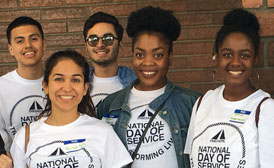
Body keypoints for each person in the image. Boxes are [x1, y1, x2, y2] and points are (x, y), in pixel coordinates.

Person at [97, 6, 201, 168]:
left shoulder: (192, 103)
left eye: (158, 55)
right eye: (140, 54)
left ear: (170, 57)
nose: (148, 63)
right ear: (132, 55)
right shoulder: (111, 105)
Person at [10, 50, 132, 167]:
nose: (67, 88)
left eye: (75, 80)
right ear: (45, 86)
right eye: (59, 79)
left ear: (85, 88)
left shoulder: (103, 132)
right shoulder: (24, 137)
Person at [184, 9, 274, 167]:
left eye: (245, 55)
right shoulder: (202, 103)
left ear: (255, 59)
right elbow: (191, 159)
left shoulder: (266, 109)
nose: (236, 62)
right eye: (227, 54)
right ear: (216, 56)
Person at [0, 16, 46, 153]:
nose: (28, 45)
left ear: (44, 44)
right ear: (11, 49)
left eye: (33, 39)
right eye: (20, 41)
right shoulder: (1, 87)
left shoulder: (60, 83)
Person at [83, 12, 136, 107]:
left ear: (120, 44)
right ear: (86, 46)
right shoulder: (77, 82)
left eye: (108, 38)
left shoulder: (137, 82)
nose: (100, 45)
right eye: (93, 39)